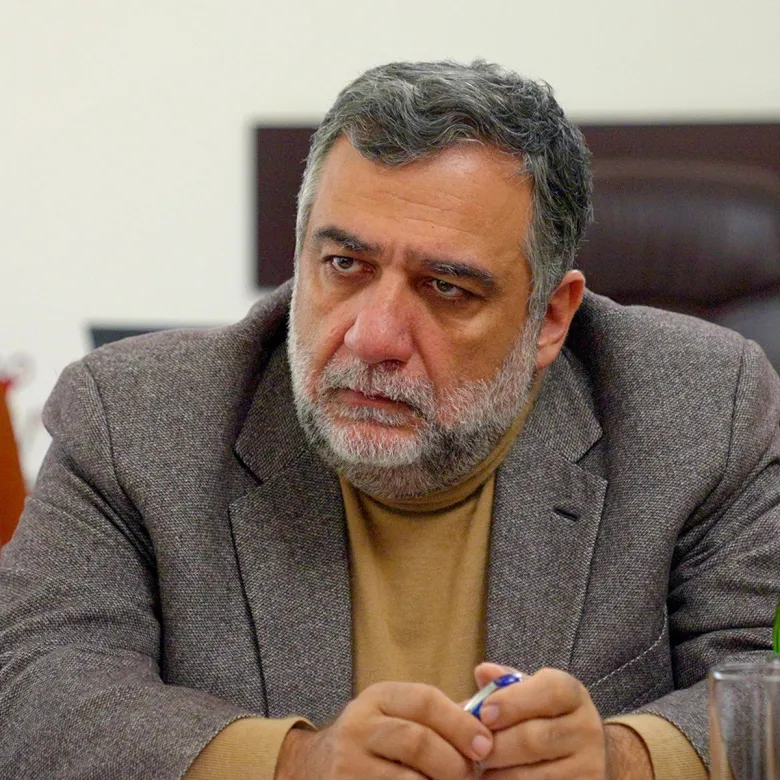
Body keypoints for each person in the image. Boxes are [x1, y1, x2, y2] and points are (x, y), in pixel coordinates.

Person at [1, 60, 778, 780]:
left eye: (446, 288)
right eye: (345, 265)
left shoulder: (702, 409)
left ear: (549, 317)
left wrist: (622, 760)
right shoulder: (135, 418)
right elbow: (31, 690)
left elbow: (764, 677)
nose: (374, 338)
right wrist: (296, 764)